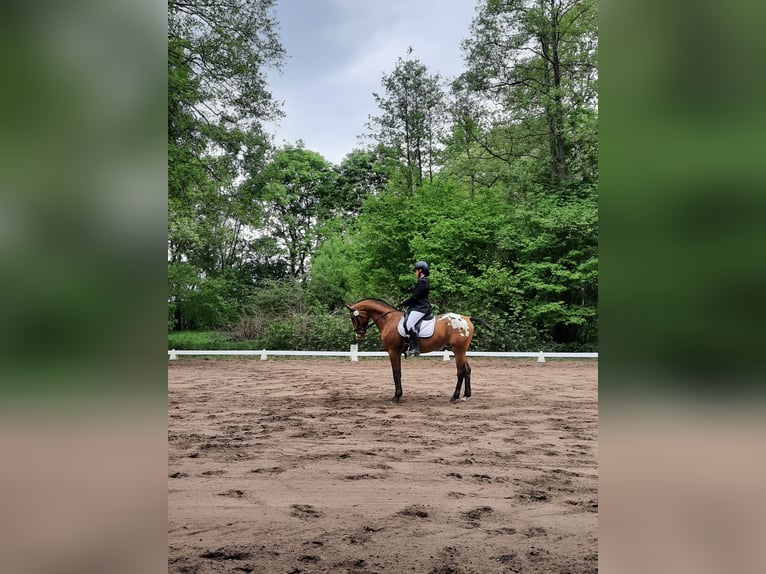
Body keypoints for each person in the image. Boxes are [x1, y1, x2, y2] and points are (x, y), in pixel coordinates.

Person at [397, 261, 431, 357]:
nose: (414, 272)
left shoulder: (423, 282)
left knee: (409, 324)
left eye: (415, 270)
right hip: (418, 307)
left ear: (420, 270)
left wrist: (404, 303)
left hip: (421, 308)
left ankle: (415, 348)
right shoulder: (423, 281)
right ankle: (408, 345)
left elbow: (415, 297)